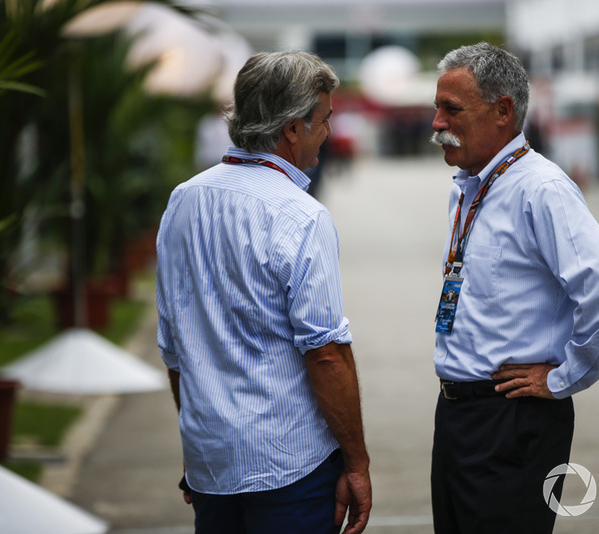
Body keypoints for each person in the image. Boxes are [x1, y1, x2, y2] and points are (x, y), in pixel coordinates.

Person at [156, 51, 371, 534]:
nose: (328, 132)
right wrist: (356, 464)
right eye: (323, 120)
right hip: (290, 468)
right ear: (292, 129)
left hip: (211, 464)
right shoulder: (301, 214)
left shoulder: (183, 200)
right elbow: (327, 355)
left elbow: (174, 345)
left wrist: (199, 445)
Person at [428, 42, 599, 533]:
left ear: (503, 112)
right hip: (459, 417)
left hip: (511, 422)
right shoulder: (472, 186)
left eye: (451, 110)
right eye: (436, 108)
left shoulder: (541, 189)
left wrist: (565, 375)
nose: (436, 123)